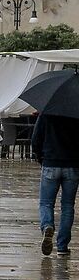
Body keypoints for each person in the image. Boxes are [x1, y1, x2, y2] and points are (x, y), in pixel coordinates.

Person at [40, 105, 79, 256]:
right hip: (72, 165)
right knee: (68, 205)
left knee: (46, 203)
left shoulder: (47, 112)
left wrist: (40, 157)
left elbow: (37, 138)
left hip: (50, 162)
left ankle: (47, 225)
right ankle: (62, 246)